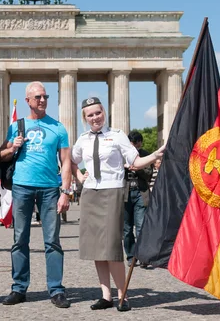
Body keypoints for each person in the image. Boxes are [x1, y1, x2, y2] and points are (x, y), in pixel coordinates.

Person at [71, 97, 165, 312]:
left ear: (104, 112)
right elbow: (72, 158)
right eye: (90, 115)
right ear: (84, 119)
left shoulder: (117, 135)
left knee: (112, 247)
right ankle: (106, 295)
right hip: (90, 194)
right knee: (96, 248)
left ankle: (123, 294)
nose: (95, 117)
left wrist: (154, 155)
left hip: (112, 192)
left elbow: (134, 162)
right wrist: (78, 175)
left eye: (98, 112)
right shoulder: (83, 138)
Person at [0, 81, 71, 309]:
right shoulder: (17, 126)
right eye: (38, 97)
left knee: (53, 241)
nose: (42, 100)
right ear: (28, 100)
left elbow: (66, 161)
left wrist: (66, 192)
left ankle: (56, 289)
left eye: (45, 96)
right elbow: (2, 155)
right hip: (22, 186)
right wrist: (12, 147)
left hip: (50, 188)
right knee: (20, 239)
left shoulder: (58, 127)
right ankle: (19, 287)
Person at [123, 130, 153, 268]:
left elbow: (148, 174)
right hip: (125, 194)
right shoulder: (122, 155)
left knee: (141, 226)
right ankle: (131, 256)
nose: (134, 146)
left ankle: (143, 256)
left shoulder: (146, 155)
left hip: (141, 193)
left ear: (140, 142)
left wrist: (136, 168)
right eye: (131, 143)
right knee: (127, 228)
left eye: (136, 143)